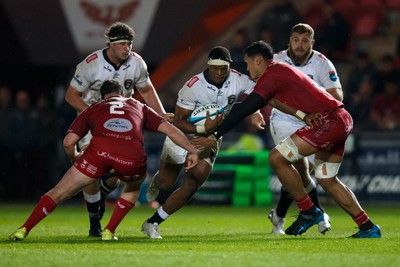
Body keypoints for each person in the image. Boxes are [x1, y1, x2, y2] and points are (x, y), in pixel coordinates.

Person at [194, 41, 381, 238]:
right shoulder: (279, 71)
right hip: (339, 119)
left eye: (248, 63)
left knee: (277, 158)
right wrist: (302, 115)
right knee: (327, 179)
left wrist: (215, 135)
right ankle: (368, 227)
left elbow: (245, 109)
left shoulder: (271, 76)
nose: (247, 68)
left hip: (328, 122)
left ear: (258, 60)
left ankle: (308, 212)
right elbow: (273, 101)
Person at [9, 80, 198, 241]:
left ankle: (24, 229)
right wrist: (192, 151)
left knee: (59, 192)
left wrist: (74, 158)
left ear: (102, 97)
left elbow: (68, 142)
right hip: (131, 156)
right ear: (123, 93)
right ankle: (109, 230)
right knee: (132, 187)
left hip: (98, 154)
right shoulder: (138, 105)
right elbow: (170, 130)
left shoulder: (93, 108)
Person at [64, 22, 174, 237]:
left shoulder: (137, 63)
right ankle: (94, 222)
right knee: (91, 175)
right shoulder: (91, 64)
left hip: (125, 124)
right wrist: (93, 116)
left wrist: (160, 114)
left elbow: (147, 89)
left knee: (120, 173)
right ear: (111, 45)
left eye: (129, 44)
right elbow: (71, 96)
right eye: (122, 44)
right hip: (92, 125)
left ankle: (104, 191)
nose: (127, 49)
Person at [141, 46, 255, 239]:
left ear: (229, 66)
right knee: (166, 183)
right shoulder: (193, 86)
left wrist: (257, 111)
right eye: (215, 68)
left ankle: (153, 222)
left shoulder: (239, 79)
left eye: (223, 68)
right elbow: (178, 122)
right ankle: (159, 179)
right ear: (208, 66)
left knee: (193, 182)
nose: (219, 72)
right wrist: (202, 129)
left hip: (210, 139)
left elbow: (258, 97)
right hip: (183, 136)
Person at [256, 23, 343, 235]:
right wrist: (255, 110)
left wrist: (313, 99)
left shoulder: (322, 63)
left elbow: (337, 95)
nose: (300, 45)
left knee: (301, 173)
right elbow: (259, 89)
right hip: (283, 119)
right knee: (299, 168)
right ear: (289, 41)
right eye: (296, 40)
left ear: (312, 43)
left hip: (313, 121)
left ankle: (278, 214)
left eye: (305, 41)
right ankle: (319, 215)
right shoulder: (276, 60)